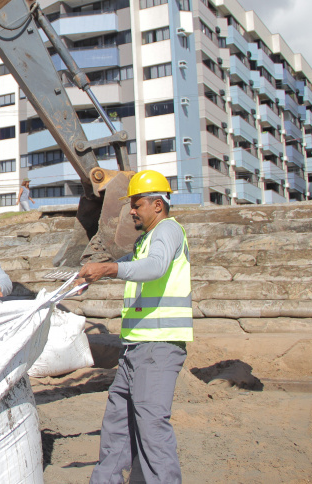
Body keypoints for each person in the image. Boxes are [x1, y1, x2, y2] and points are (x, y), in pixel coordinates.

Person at [76, 170, 192, 484]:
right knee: (117, 423)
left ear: (157, 205)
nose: (131, 210)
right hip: (135, 349)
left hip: (159, 346)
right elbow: (135, 260)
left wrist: (109, 268)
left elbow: (155, 267)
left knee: (152, 427)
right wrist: (88, 276)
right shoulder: (145, 242)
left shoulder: (168, 231)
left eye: (137, 203)